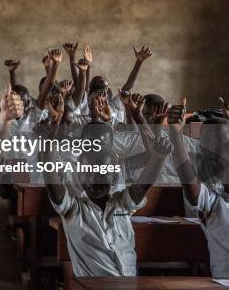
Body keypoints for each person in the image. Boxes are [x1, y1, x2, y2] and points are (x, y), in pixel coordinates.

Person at [40, 98, 173, 277]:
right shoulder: (73, 208)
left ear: (114, 176)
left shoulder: (122, 203)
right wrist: (49, 142)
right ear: (80, 175)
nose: (95, 179)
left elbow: (143, 184)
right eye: (89, 172)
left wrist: (157, 157)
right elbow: (52, 181)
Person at [168, 99, 229, 279]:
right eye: (210, 145)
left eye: (223, 145)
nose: (216, 150)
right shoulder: (213, 197)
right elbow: (191, 188)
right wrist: (175, 133)